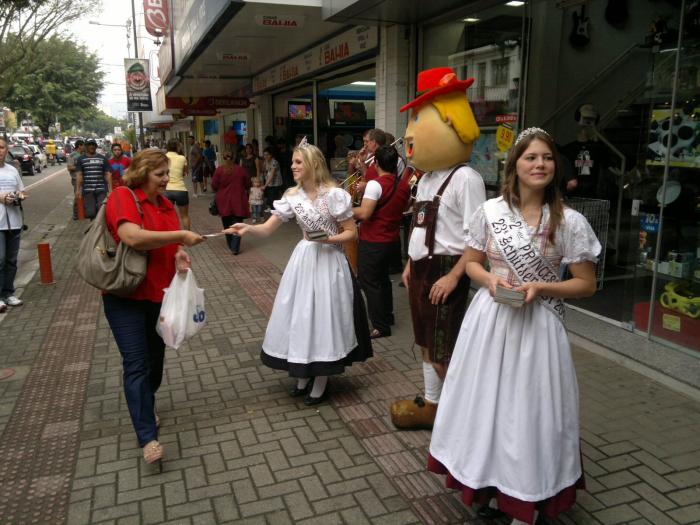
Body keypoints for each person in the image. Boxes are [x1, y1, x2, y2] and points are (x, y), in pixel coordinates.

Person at [428, 127, 601, 525]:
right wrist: (489, 280)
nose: (539, 164)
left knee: (530, 411)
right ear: (515, 165)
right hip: (490, 322)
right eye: (530, 157)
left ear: (555, 167)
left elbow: (586, 284)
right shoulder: (490, 212)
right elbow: (471, 263)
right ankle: (488, 485)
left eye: (547, 158)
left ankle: (527, 500)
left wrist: (541, 286)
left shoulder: (570, 221)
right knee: (486, 405)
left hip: (538, 328)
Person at [222, 140, 372, 405]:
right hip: (304, 261)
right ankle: (302, 372)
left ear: (314, 164)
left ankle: (322, 377)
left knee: (324, 318)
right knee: (301, 316)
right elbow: (268, 229)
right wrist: (246, 228)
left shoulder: (334, 195)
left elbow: (352, 233)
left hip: (329, 263)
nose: (292, 166)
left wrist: (328, 239)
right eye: (292, 162)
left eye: (298, 162)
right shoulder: (293, 196)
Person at [390, 67, 486, 430]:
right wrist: (410, 265)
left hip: (447, 271)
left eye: (420, 118)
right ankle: (433, 404)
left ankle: (467, 418)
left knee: (445, 350)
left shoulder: (466, 179)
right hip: (421, 270)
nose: (411, 133)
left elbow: (478, 240)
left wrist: (454, 275)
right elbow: (419, 227)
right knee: (426, 343)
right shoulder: (428, 177)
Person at [103, 149, 204, 465]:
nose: (166, 180)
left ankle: (146, 402)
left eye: (167, 173)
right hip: (126, 298)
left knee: (154, 365)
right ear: (143, 172)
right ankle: (148, 438)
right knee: (135, 364)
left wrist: (179, 255)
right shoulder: (123, 196)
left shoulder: (167, 205)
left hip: (160, 298)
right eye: (160, 173)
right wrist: (181, 235)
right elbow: (132, 237)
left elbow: (170, 247)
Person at [353, 146, 410, 339]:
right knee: (384, 280)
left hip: (373, 241)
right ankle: (388, 316)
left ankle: (380, 325)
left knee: (370, 282)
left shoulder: (375, 185)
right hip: (392, 241)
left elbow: (365, 213)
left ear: (376, 163)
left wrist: (342, 208)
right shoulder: (404, 185)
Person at [0, 136, 27, 312]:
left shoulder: (12, 170)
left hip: (14, 222)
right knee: (0, 259)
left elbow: (22, 190)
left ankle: (9, 293)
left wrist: (19, 196)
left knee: (11, 260)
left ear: (6, 149)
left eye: (2, 147)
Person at [212, 151, 250, 254]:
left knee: (227, 224)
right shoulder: (241, 170)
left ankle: (230, 244)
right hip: (238, 200)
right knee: (238, 224)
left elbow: (214, 186)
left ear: (223, 158)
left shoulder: (219, 170)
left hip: (224, 201)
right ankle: (235, 246)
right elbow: (247, 184)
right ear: (234, 158)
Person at [75, 139, 112, 219]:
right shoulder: (81, 159)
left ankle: (99, 228)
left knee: (101, 210)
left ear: (96, 146)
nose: (91, 146)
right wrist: (78, 189)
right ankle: (93, 225)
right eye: (89, 145)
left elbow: (107, 174)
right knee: (90, 213)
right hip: (88, 190)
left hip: (101, 189)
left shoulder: (103, 158)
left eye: (93, 145)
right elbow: (79, 175)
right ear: (86, 146)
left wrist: (111, 189)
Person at [164, 139, 190, 230]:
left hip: (166, 190)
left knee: (167, 215)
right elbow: (186, 172)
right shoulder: (182, 158)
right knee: (184, 216)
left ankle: (171, 236)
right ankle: (187, 237)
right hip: (180, 189)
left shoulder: (163, 157)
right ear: (178, 146)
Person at [67, 139, 85, 220]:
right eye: (83, 145)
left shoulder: (84, 155)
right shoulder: (72, 155)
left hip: (85, 178)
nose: (85, 147)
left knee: (84, 195)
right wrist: (80, 168)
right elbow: (69, 167)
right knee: (77, 195)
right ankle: (75, 214)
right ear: (80, 146)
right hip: (76, 179)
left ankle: (83, 212)